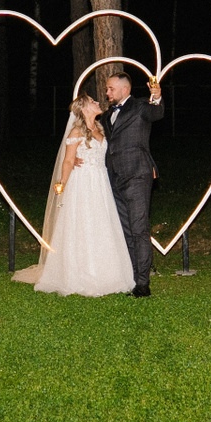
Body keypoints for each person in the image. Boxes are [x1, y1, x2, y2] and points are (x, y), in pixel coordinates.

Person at [30, 95, 136, 296]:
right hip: (83, 183)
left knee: (102, 223)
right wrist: (62, 183)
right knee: (83, 224)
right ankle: (80, 274)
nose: (97, 102)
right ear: (84, 108)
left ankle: (107, 273)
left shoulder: (102, 127)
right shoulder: (76, 132)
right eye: (92, 102)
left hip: (101, 182)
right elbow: (69, 161)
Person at [101, 71, 164, 297]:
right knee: (126, 230)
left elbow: (156, 112)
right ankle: (133, 278)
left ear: (125, 89)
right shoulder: (107, 115)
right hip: (114, 177)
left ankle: (143, 284)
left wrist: (156, 96)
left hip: (137, 174)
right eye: (107, 89)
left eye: (111, 89)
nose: (107, 93)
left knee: (139, 229)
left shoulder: (139, 107)